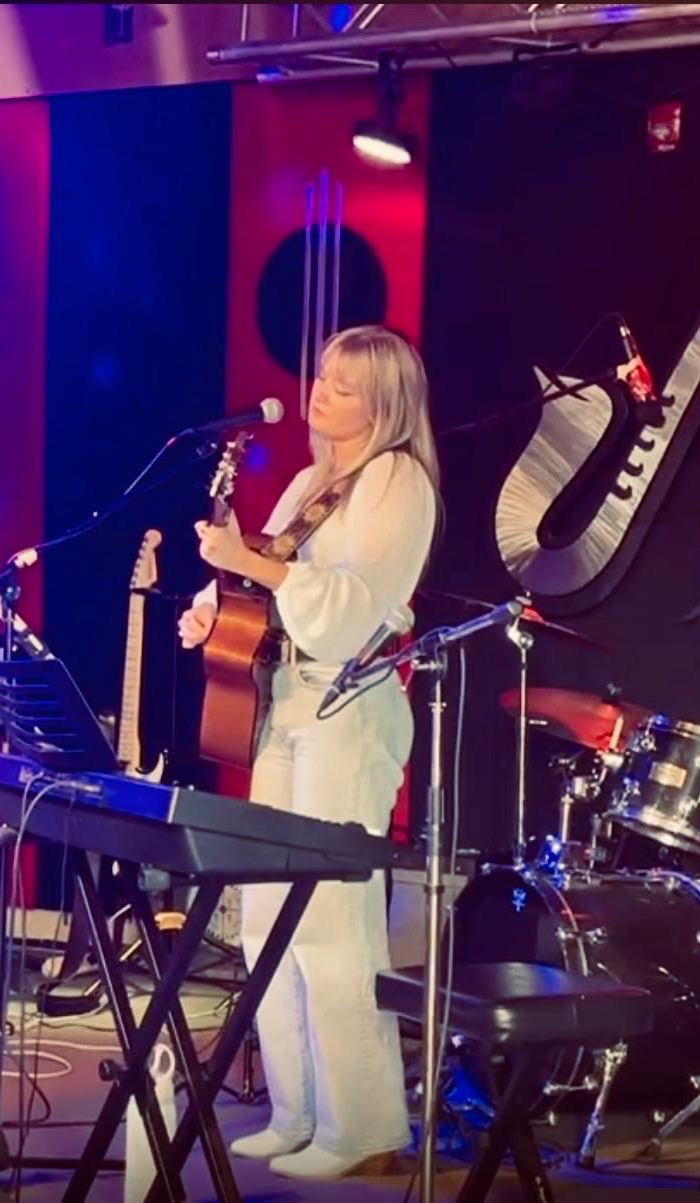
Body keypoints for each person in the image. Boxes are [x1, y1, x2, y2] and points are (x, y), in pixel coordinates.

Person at [178, 324, 439, 1180]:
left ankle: (363, 1127)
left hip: (347, 709)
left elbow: (354, 606)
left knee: (330, 920)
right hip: (286, 701)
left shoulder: (396, 480)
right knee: (264, 917)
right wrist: (214, 609)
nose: (318, 392)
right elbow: (264, 581)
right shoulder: (307, 481)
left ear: (384, 405)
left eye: (342, 385)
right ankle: (295, 1111)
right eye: (321, 375)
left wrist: (251, 563)